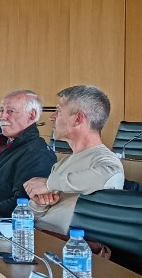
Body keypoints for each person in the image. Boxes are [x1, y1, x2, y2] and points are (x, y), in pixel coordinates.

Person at [24, 85, 125, 232]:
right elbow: (32, 218)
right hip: (37, 237)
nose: (52, 117)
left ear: (78, 119)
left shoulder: (104, 160)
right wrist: (40, 204)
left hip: (69, 248)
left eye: (58, 111)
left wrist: (49, 184)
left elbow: (112, 173)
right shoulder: (62, 164)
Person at [0, 90, 56, 216]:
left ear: (32, 115)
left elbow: (19, 205)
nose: (2, 117)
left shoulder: (37, 154)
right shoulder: (2, 147)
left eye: (11, 111)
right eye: (1, 111)